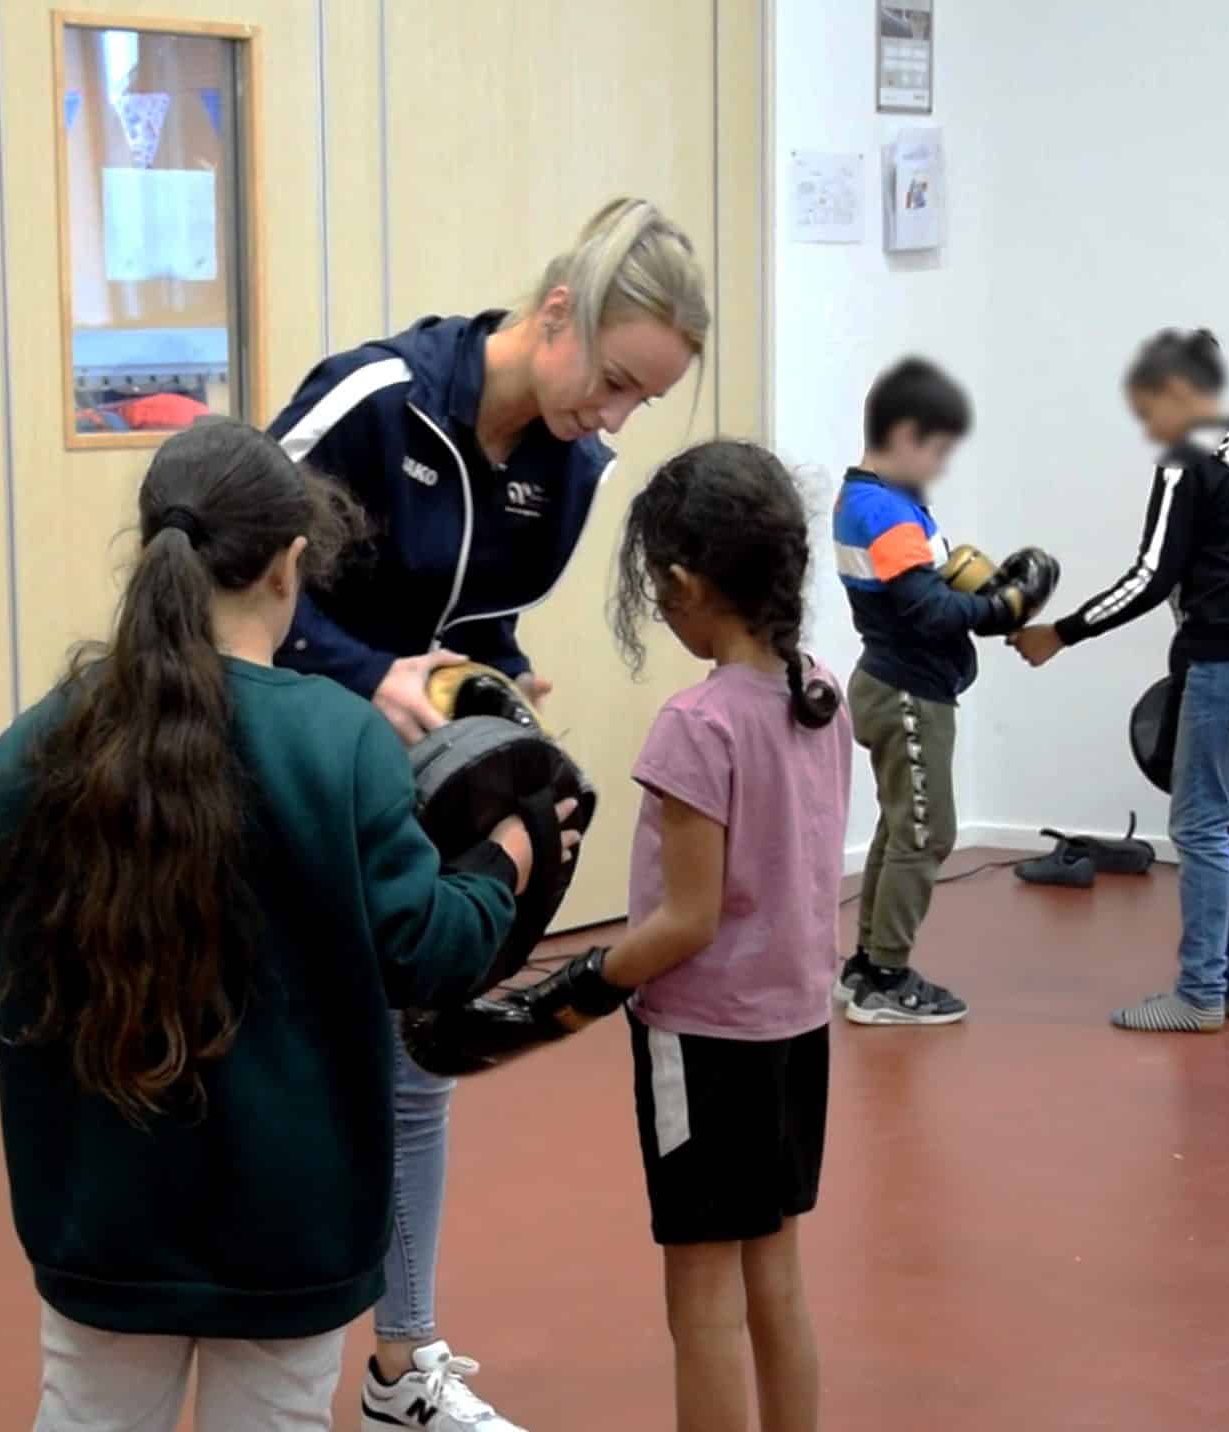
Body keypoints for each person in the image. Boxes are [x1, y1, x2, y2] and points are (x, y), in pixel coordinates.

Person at [0, 421, 575, 1431]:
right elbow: (434, 949)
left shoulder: (57, 730)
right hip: (291, 1230)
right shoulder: (341, 741)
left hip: (98, 1217)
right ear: (291, 566)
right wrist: (512, 853)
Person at [265, 196, 711, 1430]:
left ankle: (402, 1366)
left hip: (398, 782)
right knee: (279, 1067)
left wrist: (495, 676)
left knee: (417, 1070)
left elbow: (473, 618)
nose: (614, 419)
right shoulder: (375, 400)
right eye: (613, 380)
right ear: (556, 313)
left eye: (641, 403)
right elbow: (213, 561)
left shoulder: (570, 469)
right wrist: (368, 674)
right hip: (275, 767)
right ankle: (258, 1353)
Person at [600, 439, 852, 1432]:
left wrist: (578, 981)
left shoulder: (695, 723)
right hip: (796, 1030)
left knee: (700, 1296)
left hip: (699, 1042)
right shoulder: (816, 692)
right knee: (775, 1274)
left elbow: (687, 919)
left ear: (683, 581)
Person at [1011, 329, 1229, 1031]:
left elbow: (1152, 575)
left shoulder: (1191, 460)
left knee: (1201, 823)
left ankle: (1199, 994)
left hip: (1228, 663)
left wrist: (1060, 632)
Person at [830, 358, 1046, 1026]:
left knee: (903, 827)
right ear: (904, 434)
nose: (941, 467)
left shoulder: (875, 499)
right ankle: (886, 980)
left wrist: (980, 590)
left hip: (898, 684)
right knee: (928, 834)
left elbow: (924, 592)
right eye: (938, 452)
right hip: (908, 694)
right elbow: (928, 613)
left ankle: (866, 965)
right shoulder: (884, 510)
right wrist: (1004, 607)